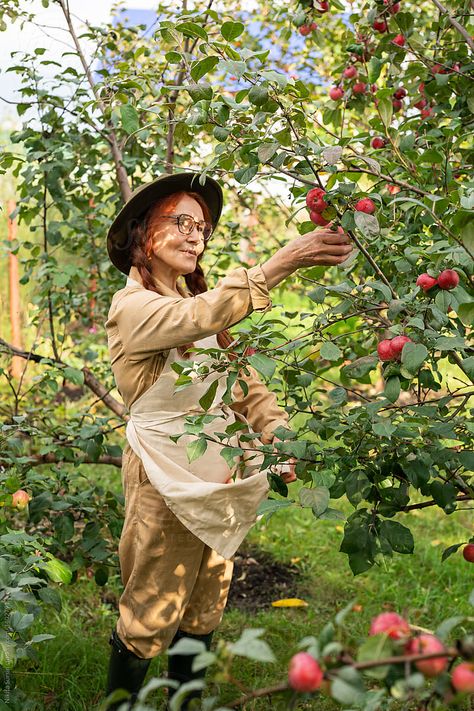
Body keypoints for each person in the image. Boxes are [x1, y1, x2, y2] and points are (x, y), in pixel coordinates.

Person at [104, 171, 353, 710]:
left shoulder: (203, 308)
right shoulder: (135, 307)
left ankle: (183, 704)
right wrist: (281, 261)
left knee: (204, 605)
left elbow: (245, 384)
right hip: (164, 478)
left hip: (220, 478)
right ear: (143, 233)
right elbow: (194, 316)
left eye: (203, 227)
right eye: (181, 221)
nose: (195, 234)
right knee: (151, 607)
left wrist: (276, 432)